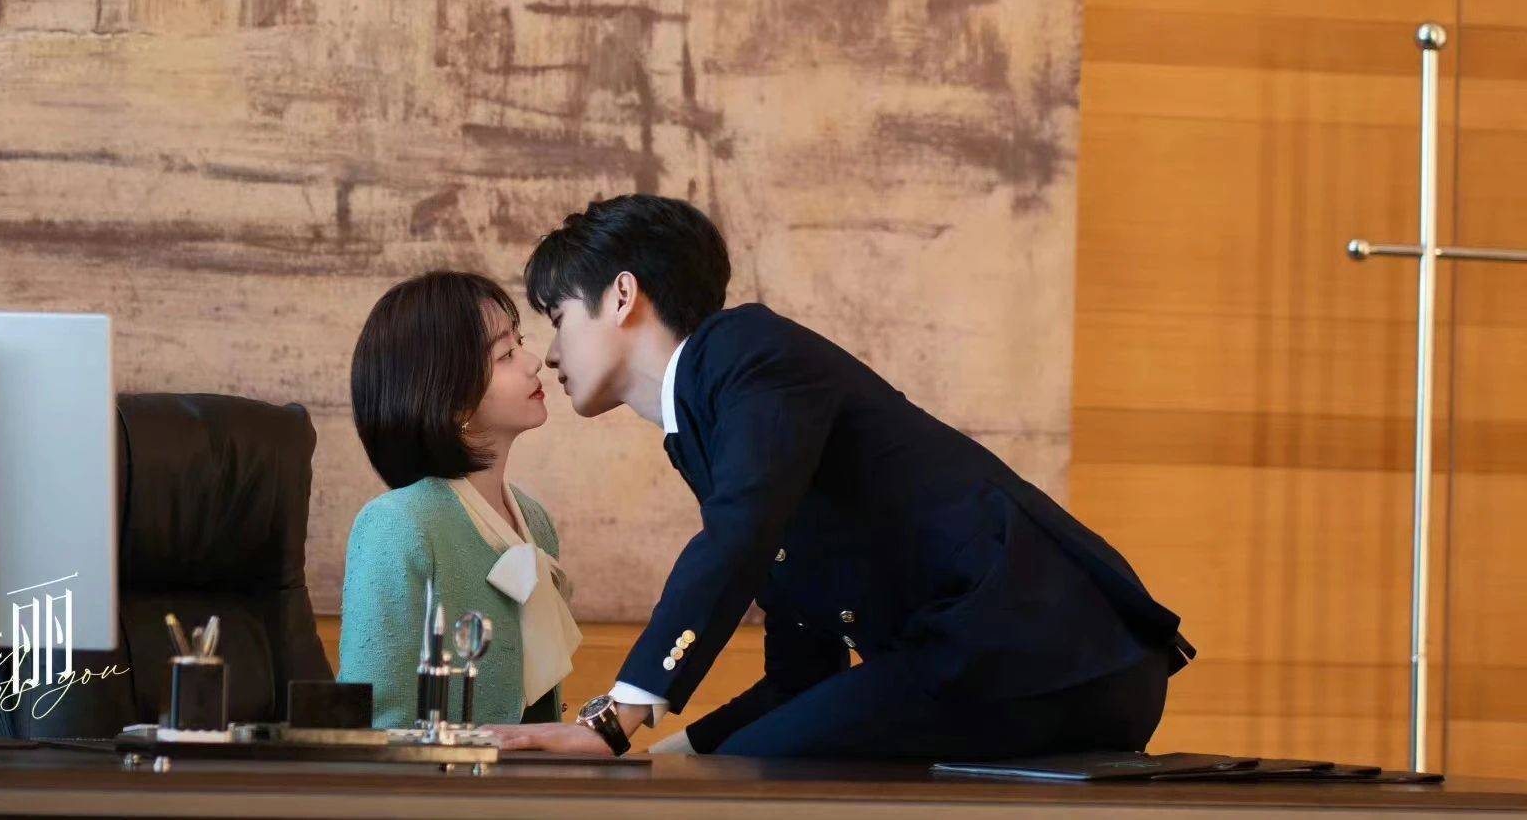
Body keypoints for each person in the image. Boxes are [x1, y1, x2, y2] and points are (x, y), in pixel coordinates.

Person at [492, 195, 1192, 759]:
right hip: (1014, 658)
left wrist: (615, 721)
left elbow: (738, 535)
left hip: (1048, 649)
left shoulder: (743, 350)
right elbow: (803, 677)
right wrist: (674, 755)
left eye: (558, 317)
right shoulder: (714, 418)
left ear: (622, 295)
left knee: (761, 774)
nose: (550, 354)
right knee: (746, 766)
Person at [338, 270, 581, 729]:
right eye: (505, 354)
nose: (534, 362)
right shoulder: (398, 524)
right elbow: (376, 723)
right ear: (450, 398)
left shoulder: (535, 520)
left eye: (519, 343)